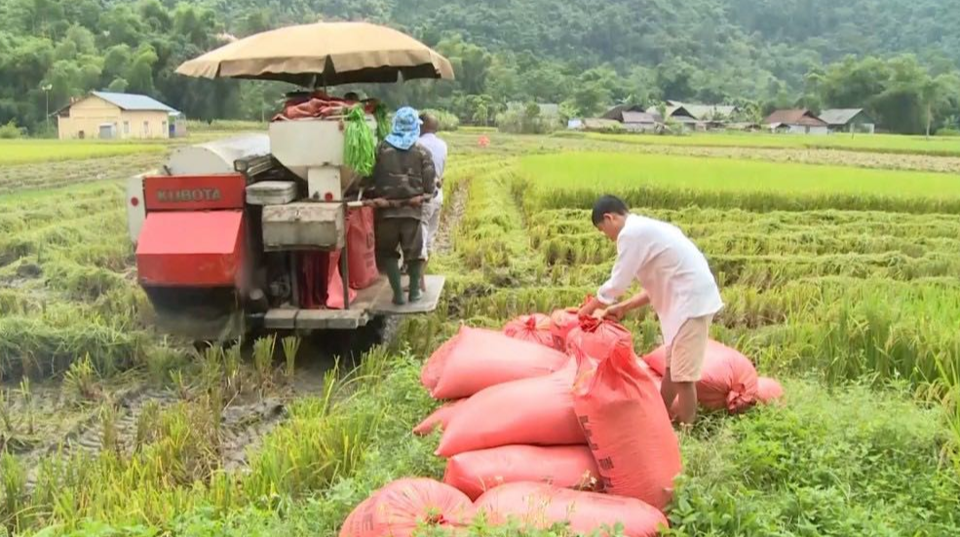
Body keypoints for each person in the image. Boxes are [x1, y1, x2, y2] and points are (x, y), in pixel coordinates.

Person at [579, 195, 723, 426]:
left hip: (691, 304)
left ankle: (687, 432)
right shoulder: (646, 229)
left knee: (683, 377)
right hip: (684, 303)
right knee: (671, 369)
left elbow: (618, 283)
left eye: (602, 229)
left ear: (610, 218)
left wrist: (587, 309)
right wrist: (624, 307)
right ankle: (659, 415)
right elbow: (655, 286)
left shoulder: (630, 234)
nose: (606, 236)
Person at [366, 107, 436, 305]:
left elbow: (370, 179)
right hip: (411, 213)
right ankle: (414, 292)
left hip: (385, 212)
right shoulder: (422, 152)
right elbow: (429, 185)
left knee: (388, 252)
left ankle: (397, 294)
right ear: (414, 127)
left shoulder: (381, 149)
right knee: (413, 253)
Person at [416, 113, 448, 290]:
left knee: (420, 235)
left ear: (421, 126)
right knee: (429, 238)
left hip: (425, 195)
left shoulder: (418, 145)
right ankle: (422, 277)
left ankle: (419, 281)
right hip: (438, 194)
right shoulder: (443, 145)